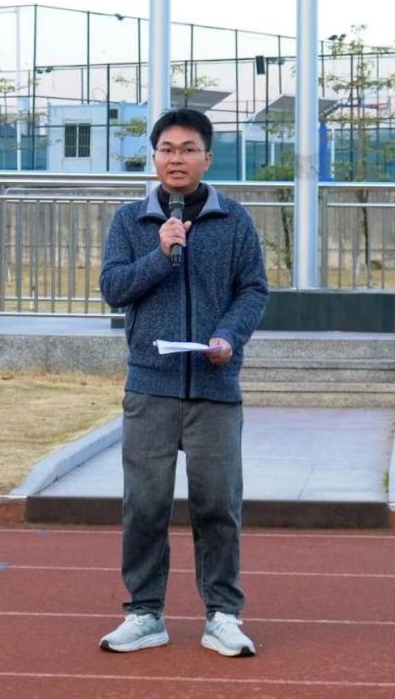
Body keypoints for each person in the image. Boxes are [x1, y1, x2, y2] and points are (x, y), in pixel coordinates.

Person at [97, 108, 269, 657]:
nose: (177, 158)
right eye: (167, 149)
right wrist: (161, 254)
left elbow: (253, 290)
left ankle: (223, 614)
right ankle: (144, 613)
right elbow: (114, 288)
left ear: (207, 158)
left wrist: (228, 336)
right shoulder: (130, 221)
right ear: (154, 157)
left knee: (218, 504)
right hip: (151, 386)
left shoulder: (234, 221)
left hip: (215, 386)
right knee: (145, 505)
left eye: (189, 149)